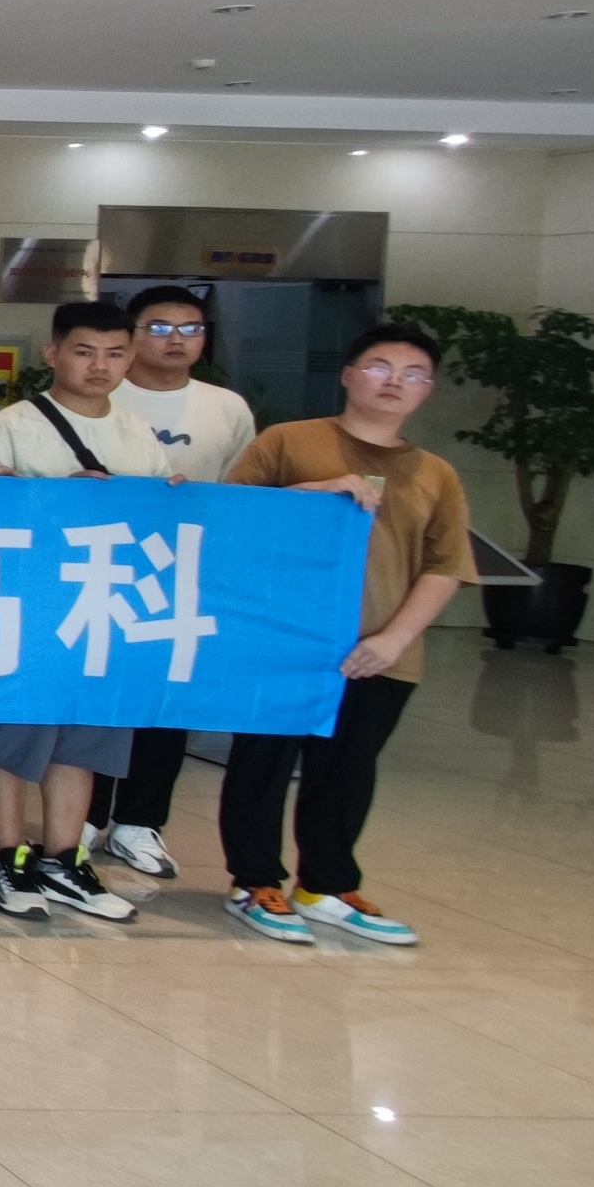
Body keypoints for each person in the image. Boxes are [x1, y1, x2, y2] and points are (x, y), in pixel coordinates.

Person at [217, 323, 469, 947]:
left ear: (428, 390)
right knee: (263, 765)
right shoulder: (290, 441)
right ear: (349, 375)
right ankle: (255, 882)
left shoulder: (435, 474)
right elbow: (226, 521)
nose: (394, 382)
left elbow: (446, 567)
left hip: (378, 652)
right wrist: (312, 492)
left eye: (413, 375)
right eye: (380, 367)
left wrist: (394, 640)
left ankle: (326, 885)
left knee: (348, 771)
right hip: (282, 643)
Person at [0, 301, 168, 923]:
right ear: (54, 354)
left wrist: (170, 500)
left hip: (105, 610)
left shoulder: (139, 434)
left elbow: (157, 525)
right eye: (84, 351)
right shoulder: (10, 427)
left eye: (114, 353)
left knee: (85, 739)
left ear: (130, 359)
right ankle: (8, 857)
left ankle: (64, 859)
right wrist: (59, 501)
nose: (99, 366)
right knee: (13, 735)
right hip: (27, 611)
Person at [89, 283, 260, 880]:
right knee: (99, 693)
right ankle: (86, 815)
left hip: (186, 572)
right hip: (104, 565)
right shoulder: (101, 395)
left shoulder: (227, 407)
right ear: (132, 336)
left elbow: (244, 490)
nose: (176, 339)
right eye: (160, 328)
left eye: (191, 329)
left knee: (167, 697)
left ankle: (140, 822)